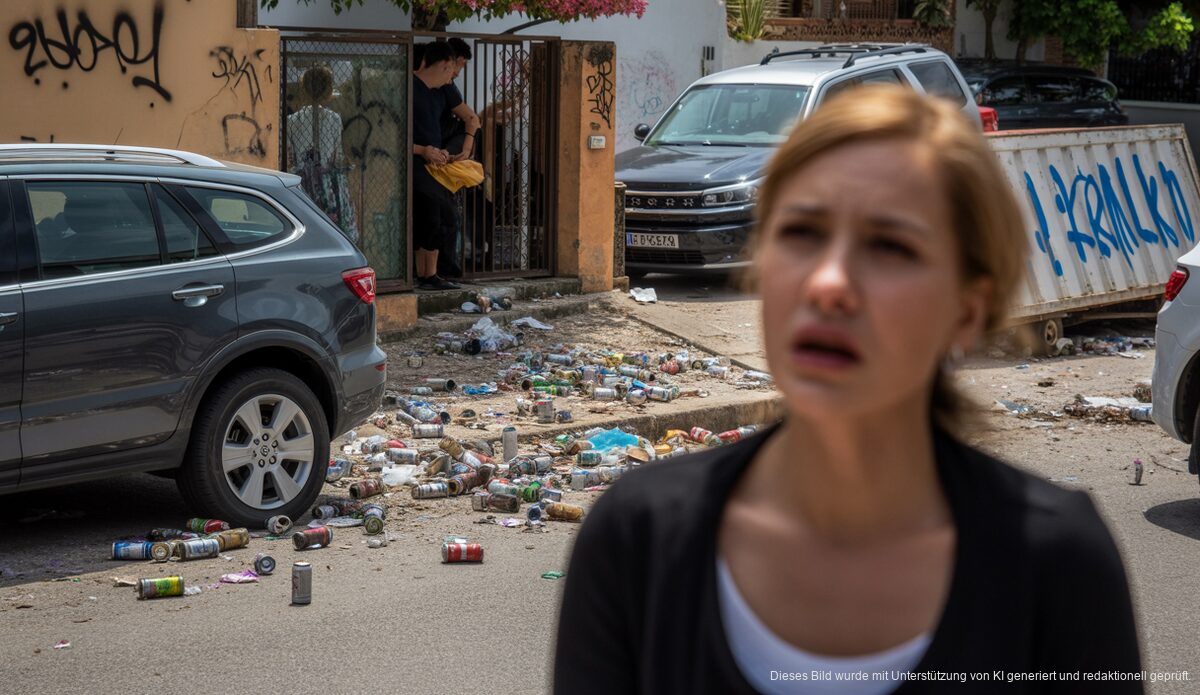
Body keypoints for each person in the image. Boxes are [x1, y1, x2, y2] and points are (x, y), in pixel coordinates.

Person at [553, 86, 1143, 693]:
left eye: (889, 246)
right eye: (802, 233)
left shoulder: (1056, 565)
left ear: (968, 310)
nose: (828, 284)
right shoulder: (639, 540)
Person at [411, 41, 462, 291]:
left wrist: (440, 152)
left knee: (436, 217)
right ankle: (425, 274)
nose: (452, 77)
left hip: (432, 163)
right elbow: (394, 134)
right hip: (414, 164)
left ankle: (428, 274)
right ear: (443, 65)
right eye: (452, 69)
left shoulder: (437, 94)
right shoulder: (410, 89)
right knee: (432, 216)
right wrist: (423, 150)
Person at [287, 66, 358, 242]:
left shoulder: (292, 121)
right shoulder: (333, 119)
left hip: (301, 181)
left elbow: (291, 154)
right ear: (327, 90)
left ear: (304, 89)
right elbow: (336, 154)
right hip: (327, 183)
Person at [437, 37, 482, 279]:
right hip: (438, 156)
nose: (457, 72)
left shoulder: (446, 86)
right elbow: (472, 119)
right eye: (460, 65)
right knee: (446, 218)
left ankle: (446, 268)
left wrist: (465, 148)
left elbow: (472, 119)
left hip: (443, 156)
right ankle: (444, 270)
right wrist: (466, 147)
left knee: (448, 217)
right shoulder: (444, 85)